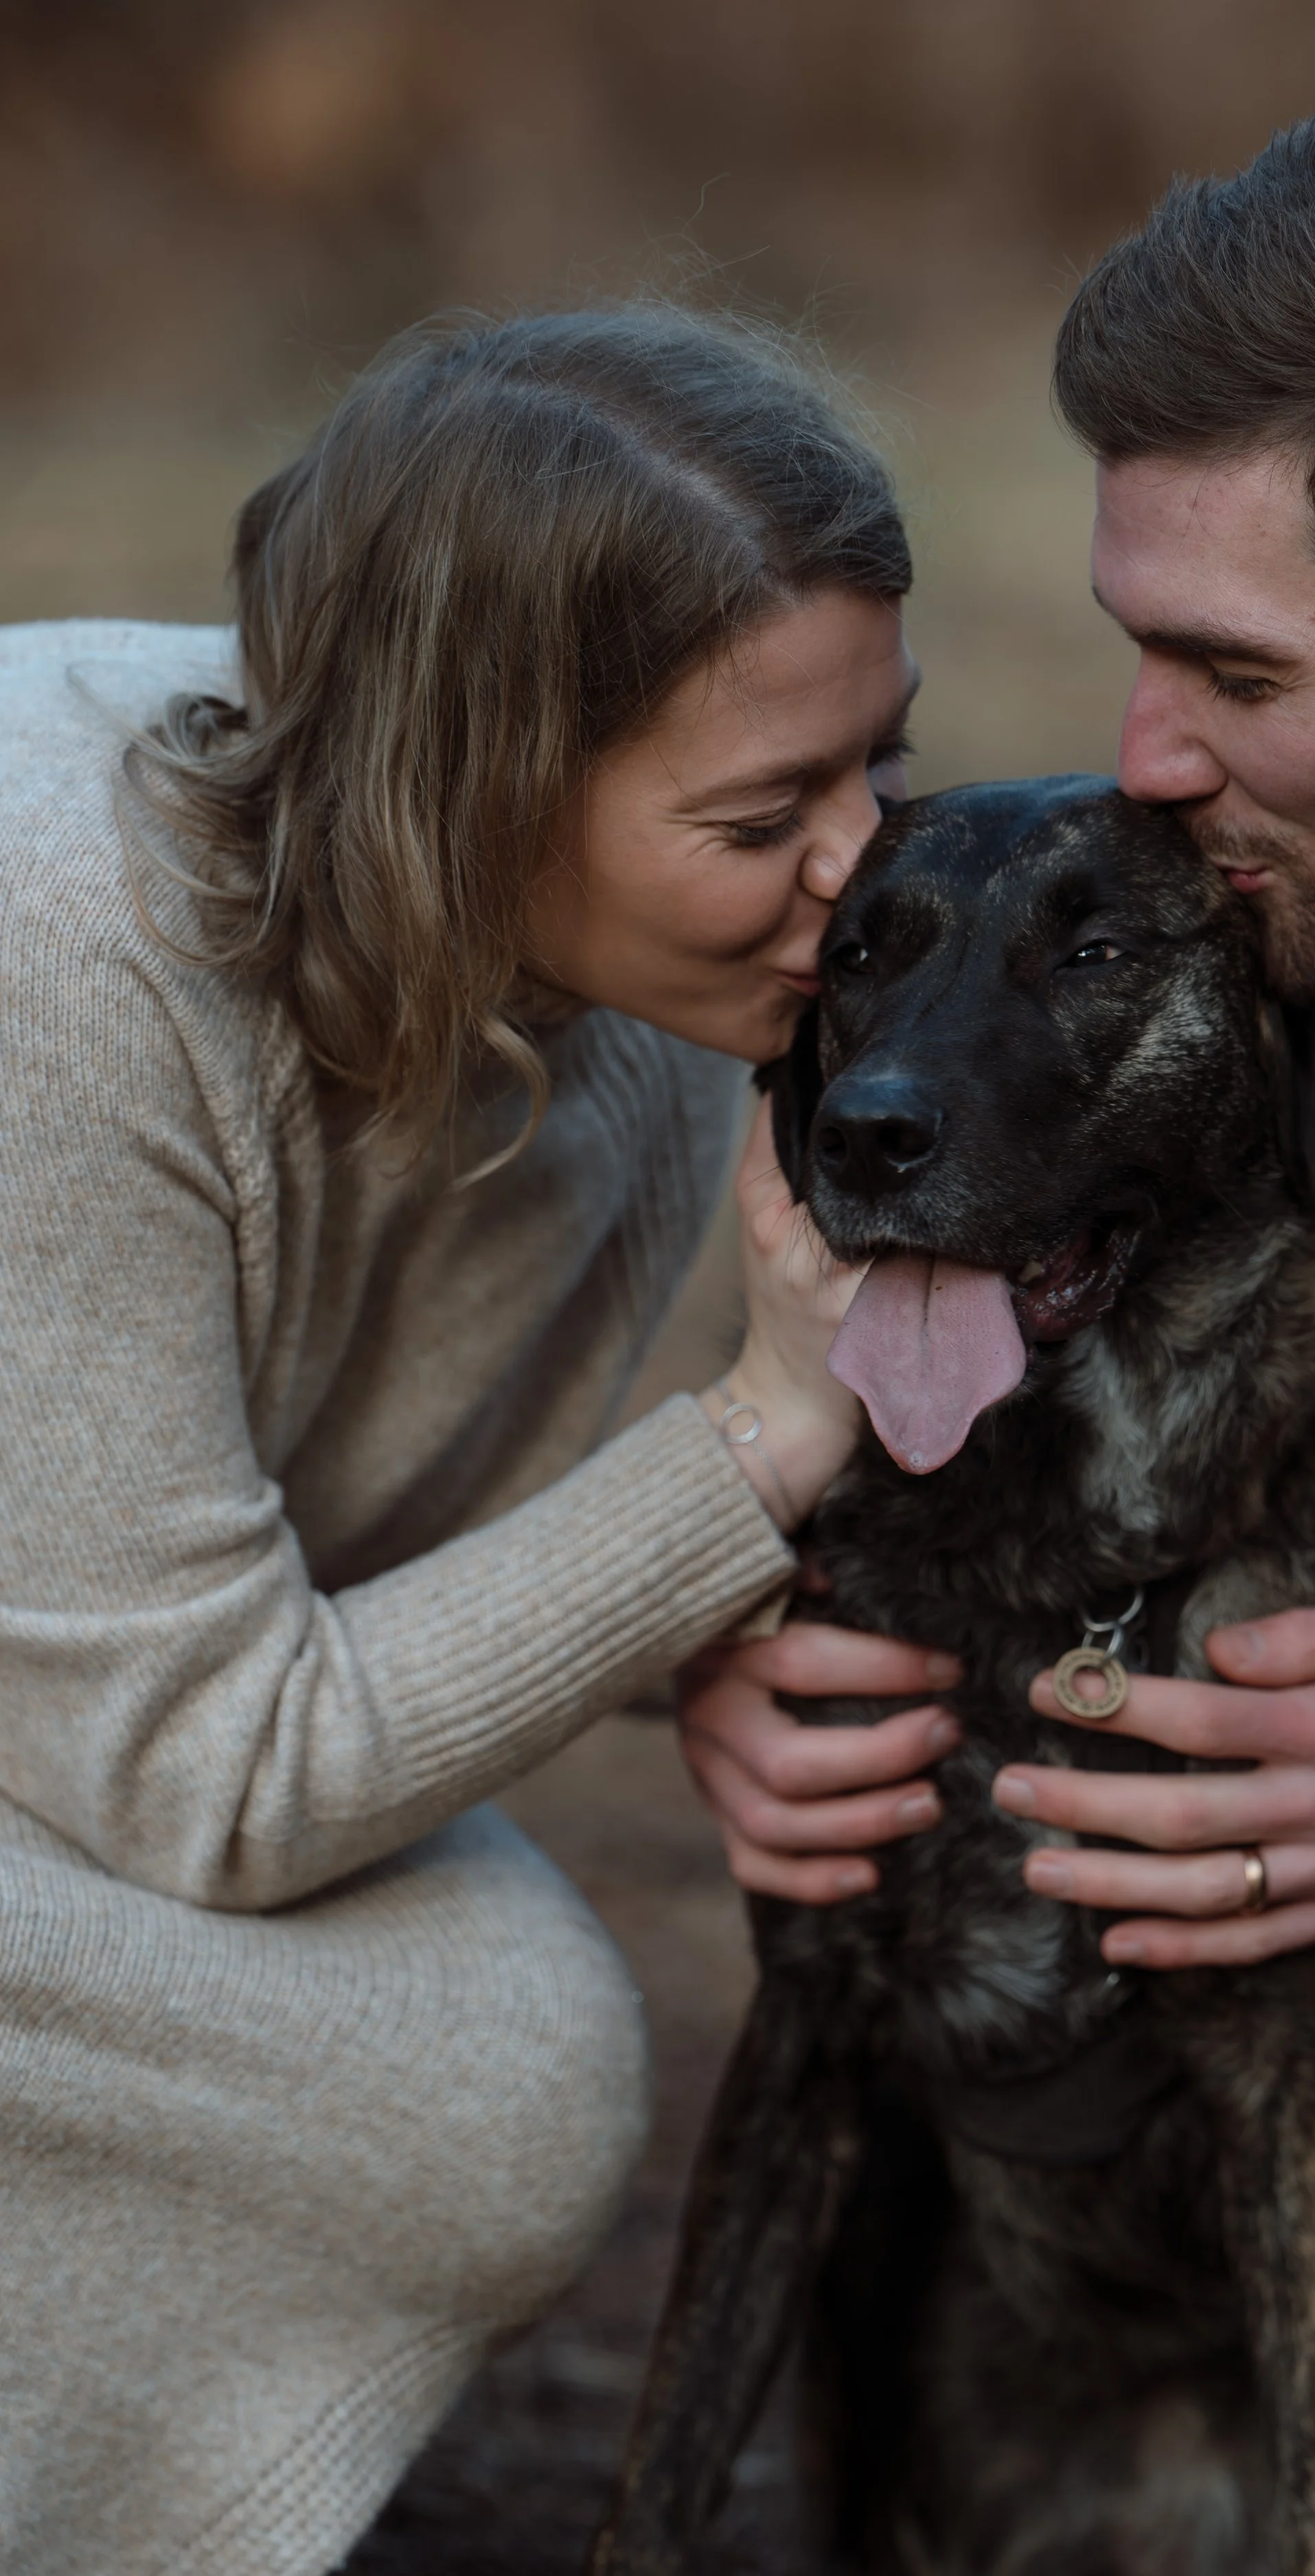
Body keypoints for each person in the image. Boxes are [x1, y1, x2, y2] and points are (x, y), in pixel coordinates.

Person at [0, 304, 935, 2576]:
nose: (866, 870)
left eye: (872, 769)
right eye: (759, 816)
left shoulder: (637, 981)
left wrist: (666, 1631)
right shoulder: (60, 965)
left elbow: (306, 1470)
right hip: (123, 1738)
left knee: (489, 2055)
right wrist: (756, 1453)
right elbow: (205, 1771)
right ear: (476, 782)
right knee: (467, 2067)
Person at [678, 83, 1315, 2120]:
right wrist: (716, 1640)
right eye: (1134, 656)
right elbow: (1070, 1276)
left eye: (1235, 678)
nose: (1143, 761)